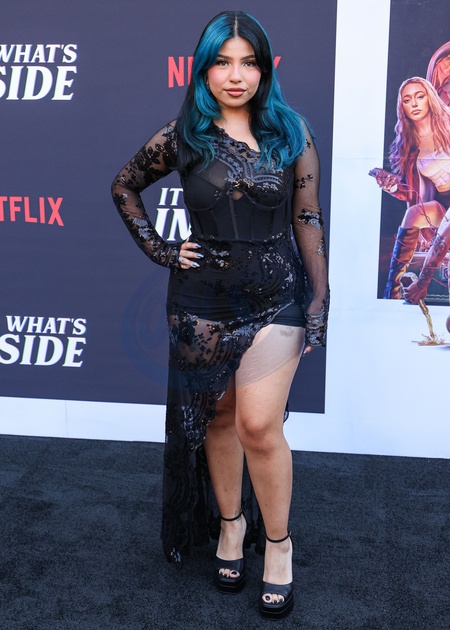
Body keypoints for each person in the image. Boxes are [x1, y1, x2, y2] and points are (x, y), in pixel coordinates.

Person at [111, 10, 329, 620]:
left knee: (259, 424)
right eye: (223, 62)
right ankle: (231, 526)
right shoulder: (183, 135)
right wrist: (160, 249)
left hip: (276, 294)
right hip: (199, 301)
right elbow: (123, 186)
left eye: (249, 62)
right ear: (204, 69)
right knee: (219, 418)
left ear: (264, 69)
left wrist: (319, 300)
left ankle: (278, 546)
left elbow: (307, 217)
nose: (237, 75)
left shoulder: (292, 133)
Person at [371, 77, 450, 299]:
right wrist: (391, 186)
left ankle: (422, 283)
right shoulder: (408, 143)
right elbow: (413, 192)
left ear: (429, 99)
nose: (414, 103)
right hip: (443, 204)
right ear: (402, 107)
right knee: (413, 213)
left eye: (419, 96)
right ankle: (392, 292)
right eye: (407, 100)